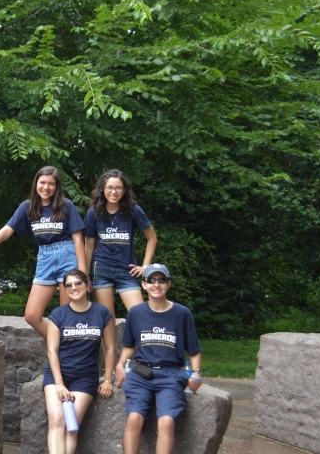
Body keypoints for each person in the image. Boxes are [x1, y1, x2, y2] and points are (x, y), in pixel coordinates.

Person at [0, 166, 86, 339]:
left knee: (67, 315)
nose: (46, 187)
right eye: (42, 182)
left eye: (51, 184)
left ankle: (66, 354)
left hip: (67, 255)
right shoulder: (27, 206)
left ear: (57, 186)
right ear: (36, 183)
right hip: (45, 258)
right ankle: (62, 345)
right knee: (31, 315)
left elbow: (78, 239)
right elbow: (8, 230)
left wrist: (81, 274)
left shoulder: (65, 205)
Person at [115, 264, 203, 454]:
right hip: (141, 374)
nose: (156, 284)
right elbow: (129, 345)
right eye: (151, 280)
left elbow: (194, 350)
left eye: (161, 280)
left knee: (166, 422)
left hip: (170, 375)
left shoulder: (182, 313)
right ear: (144, 284)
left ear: (168, 284)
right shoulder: (136, 313)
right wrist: (120, 365)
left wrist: (196, 374)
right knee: (134, 418)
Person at [43, 269, 115, 454]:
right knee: (57, 419)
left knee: (71, 423)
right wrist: (59, 384)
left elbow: (109, 348)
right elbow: (52, 351)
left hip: (85, 377)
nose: (74, 287)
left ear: (87, 286)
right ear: (65, 290)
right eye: (69, 285)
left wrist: (107, 379)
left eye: (78, 283)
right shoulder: (58, 314)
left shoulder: (101, 313)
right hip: (57, 375)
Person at [84, 170, 157, 316]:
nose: (113, 191)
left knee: (140, 314)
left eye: (118, 188)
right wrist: (85, 276)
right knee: (107, 316)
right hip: (101, 269)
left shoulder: (133, 211)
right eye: (109, 187)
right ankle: (109, 341)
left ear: (124, 191)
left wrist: (145, 267)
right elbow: (89, 246)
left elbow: (152, 238)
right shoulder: (93, 212)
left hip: (127, 270)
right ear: (102, 189)